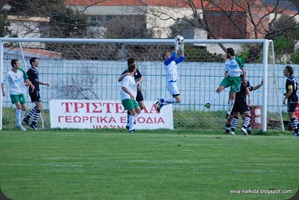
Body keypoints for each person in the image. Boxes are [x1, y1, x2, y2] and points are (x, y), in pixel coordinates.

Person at [205, 47, 246, 118]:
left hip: (236, 79)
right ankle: (209, 102)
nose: (226, 54)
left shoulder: (238, 60)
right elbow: (226, 71)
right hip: (228, 78)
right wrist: (226, 73)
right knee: (219, 89)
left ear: (229, 53)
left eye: (226, 53)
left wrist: (244, 80)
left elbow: (243, 71)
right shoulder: (227, 62)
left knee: (233, 95)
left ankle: (229, 111)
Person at [1, 59, 34, 131]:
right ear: (14, 65)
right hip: (13, 92)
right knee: (19, 106)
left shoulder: (21, 71)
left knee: (24, 108)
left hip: (21, 92)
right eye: (18, 64)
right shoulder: (9, 73)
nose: (19, 65)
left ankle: (19, 122)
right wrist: (3, 91)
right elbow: (3, 83)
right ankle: (18, 123)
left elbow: (26, 79)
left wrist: (30, 84)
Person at [155, 37, 185, 112]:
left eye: (169, 54)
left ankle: (161, 102)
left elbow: (182, 58)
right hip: (170, 83)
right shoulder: (166, 63)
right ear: (165, 57)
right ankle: (161, 101)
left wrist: (181, 47)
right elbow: (174, 56)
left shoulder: (173, 62)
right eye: (167, 55)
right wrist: (176, 46)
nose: (169, 55)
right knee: (178, 100)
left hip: (173, 83)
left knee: (178, 100)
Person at [22, 57, 50, 131]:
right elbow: (26, 80)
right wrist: (29, 84)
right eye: (36, 61)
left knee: (38, 107)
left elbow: (35, 81)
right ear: (33, 63)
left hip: (36, 90)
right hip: (33, 91)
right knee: (39, 107)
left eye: (38, 61)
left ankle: (27, 118)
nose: (38, 62)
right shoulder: (30, 70)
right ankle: (33, 123)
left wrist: (43, 83)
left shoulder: (35, 70)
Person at [118, 58, 144, 129]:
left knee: (141, 107)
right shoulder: (127, 72)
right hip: (130, 92)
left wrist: (138, 83)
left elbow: (142, 78)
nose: (136, 64)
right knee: (132, 109)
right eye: (135, 63)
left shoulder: (136, 70)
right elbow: (119, 80)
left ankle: (130, 122)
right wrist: (124, 75)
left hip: (136, 90)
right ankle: (130, 125)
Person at [283, 66, 299, 137]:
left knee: (291, 115)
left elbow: (291, 90)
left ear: (288, 72)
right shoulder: (294, 78)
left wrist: (285, 98)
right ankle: (297, 129)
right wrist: (288, 93)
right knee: (292, 115)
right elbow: (297, 87)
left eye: (285, 70)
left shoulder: (289, 80)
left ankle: (296, 132)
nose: (284, 71)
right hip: (295, 98)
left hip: (292, 99)